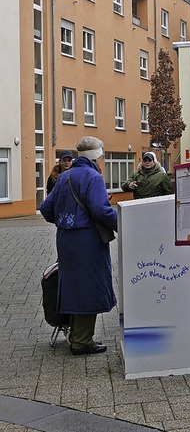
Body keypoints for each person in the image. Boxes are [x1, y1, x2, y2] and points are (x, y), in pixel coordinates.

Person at [39, 136, 116, 355]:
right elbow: (100, 210)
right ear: (97, 155)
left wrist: (65, 221)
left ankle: (75, 334)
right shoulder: (93, 176)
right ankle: (82, 341)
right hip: (87, 240)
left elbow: (45, 208)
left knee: (73, 285)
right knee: (88, 286)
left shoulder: (66, 176)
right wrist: (124, 223)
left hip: (66, 240)